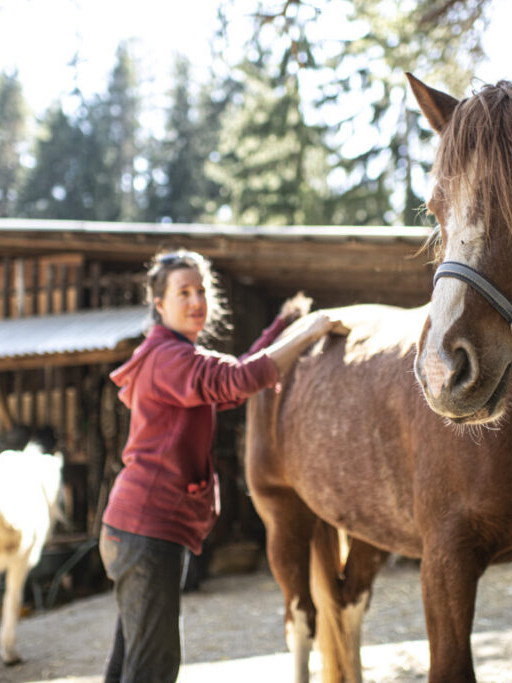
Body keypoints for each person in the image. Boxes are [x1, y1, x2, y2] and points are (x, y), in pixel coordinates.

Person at [99, 249, 339, 683]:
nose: (195, 301)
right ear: (159, 304)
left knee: (131, 663)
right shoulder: (170, 358)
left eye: (201, 291)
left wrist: (281, 326)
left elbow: (236, 377)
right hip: (146, 532)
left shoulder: (176, 355)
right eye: (183, 292)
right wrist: (308, 334)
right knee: (152, 667)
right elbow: (239, 379)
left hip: (134, 530)